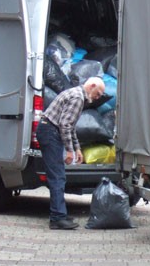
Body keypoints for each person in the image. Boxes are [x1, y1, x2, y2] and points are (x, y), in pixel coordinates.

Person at [36, 77, 106, 230]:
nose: (97, 98)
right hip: (50, 132)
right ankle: (57, 218)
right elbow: (65, 125)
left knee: (58, 176)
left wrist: (77, 148)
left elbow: (70, 125)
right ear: (92, 86)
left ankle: (60, 213)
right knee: (57, 177)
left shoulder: (76, 94)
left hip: (49, 130)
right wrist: (69, 150)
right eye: (98, 94)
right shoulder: (78, 98)